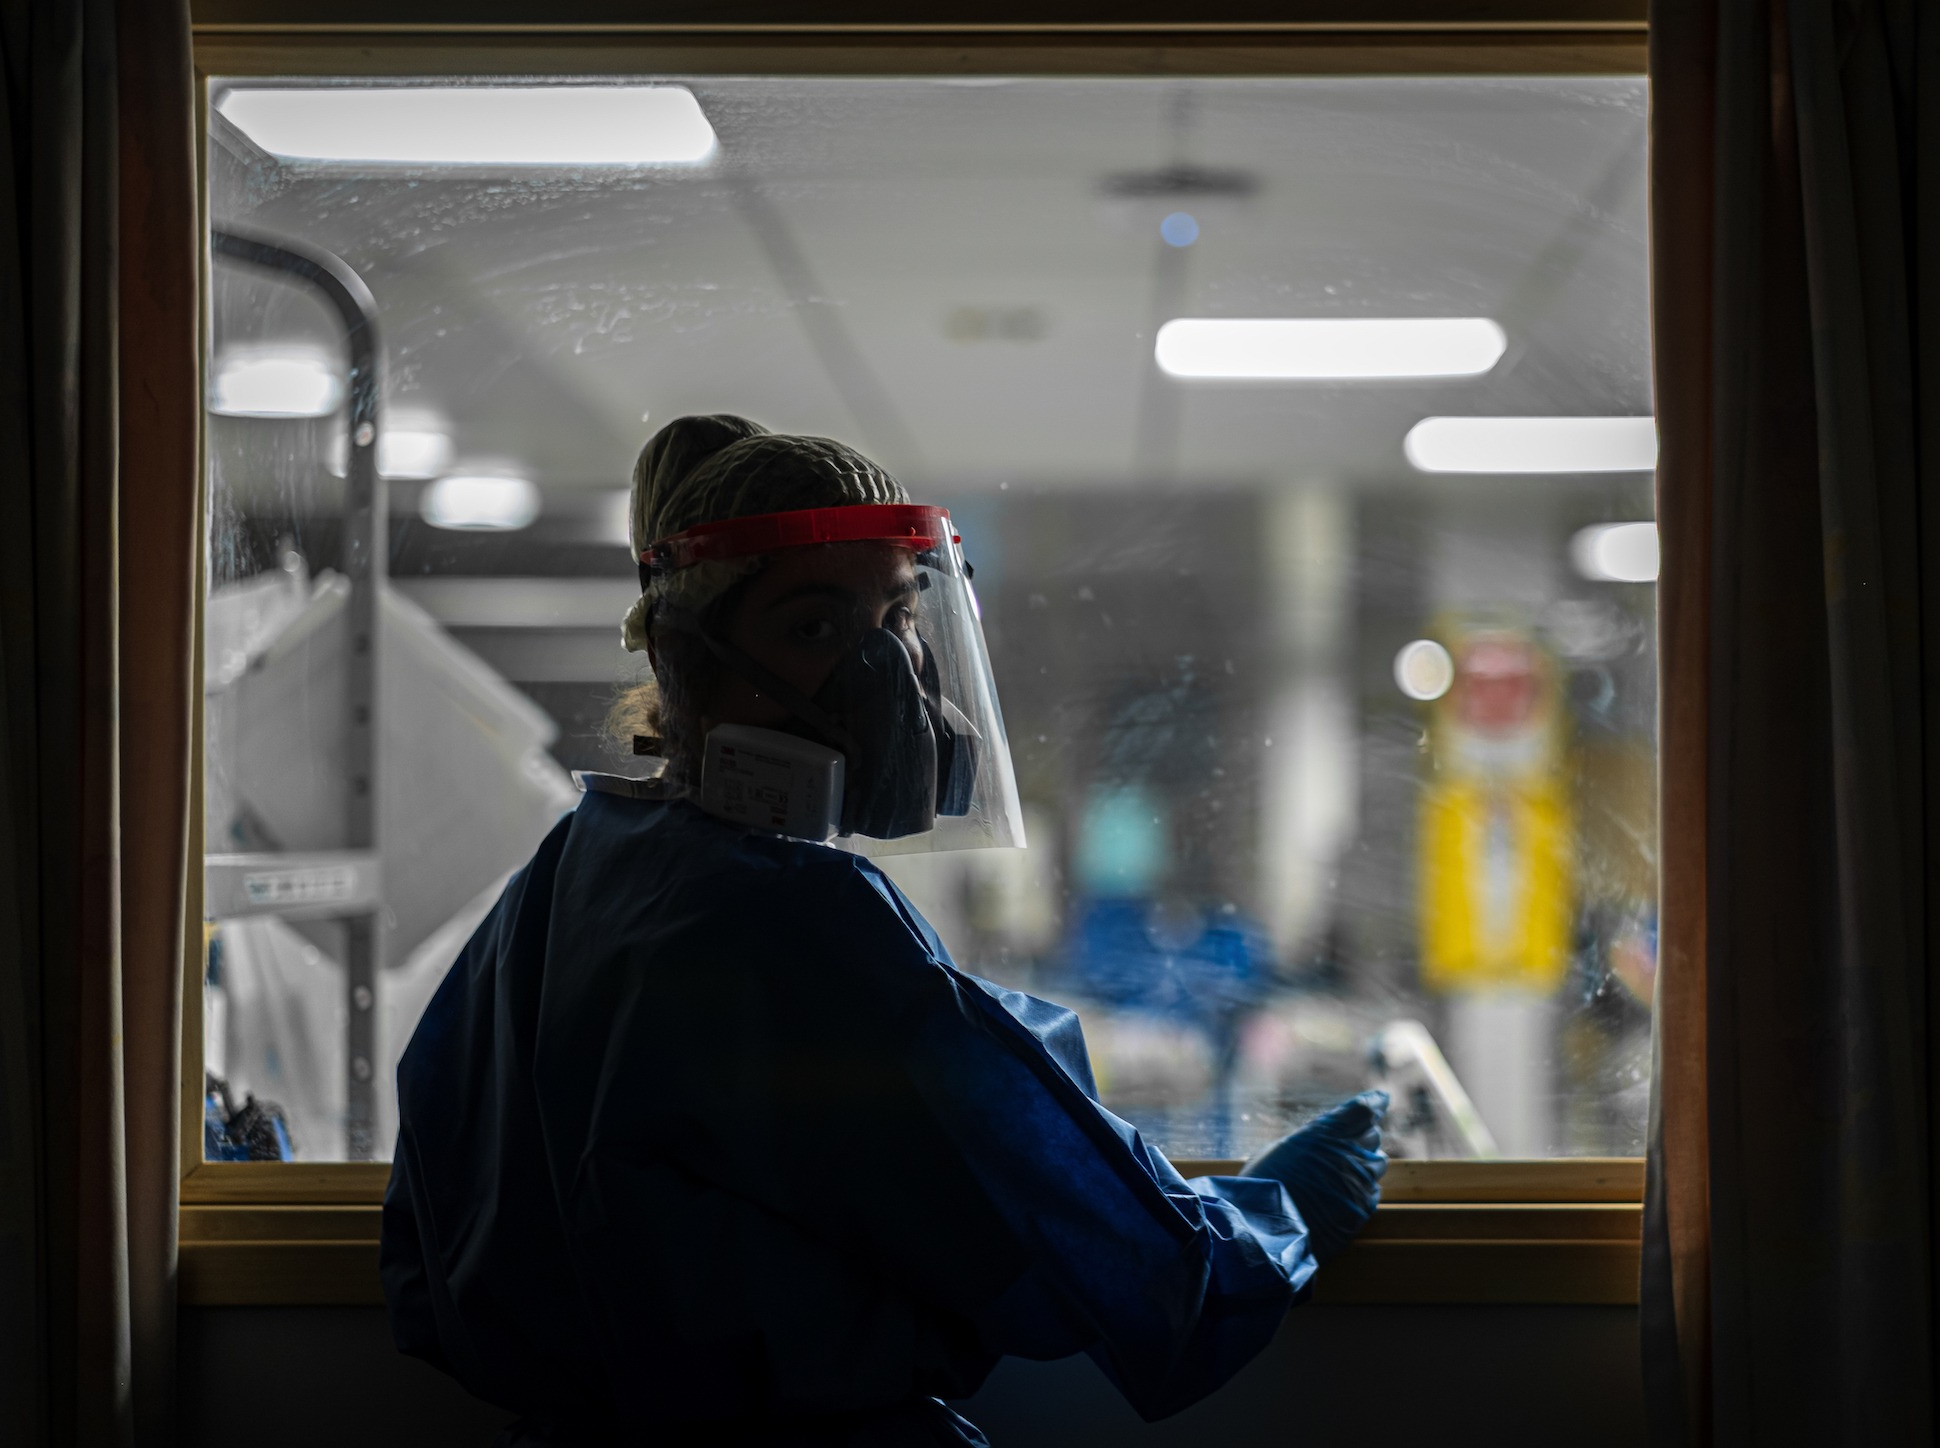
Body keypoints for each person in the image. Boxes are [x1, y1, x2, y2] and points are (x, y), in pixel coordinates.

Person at [381, 415, 1389, 1448]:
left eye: (899, 617)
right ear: (689, 661)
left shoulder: (574, 867)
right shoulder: (793, 918)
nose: (890, 679)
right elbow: (1105, 1246)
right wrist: (1274, 1218)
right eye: (816, 628)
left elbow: (426, 1258)